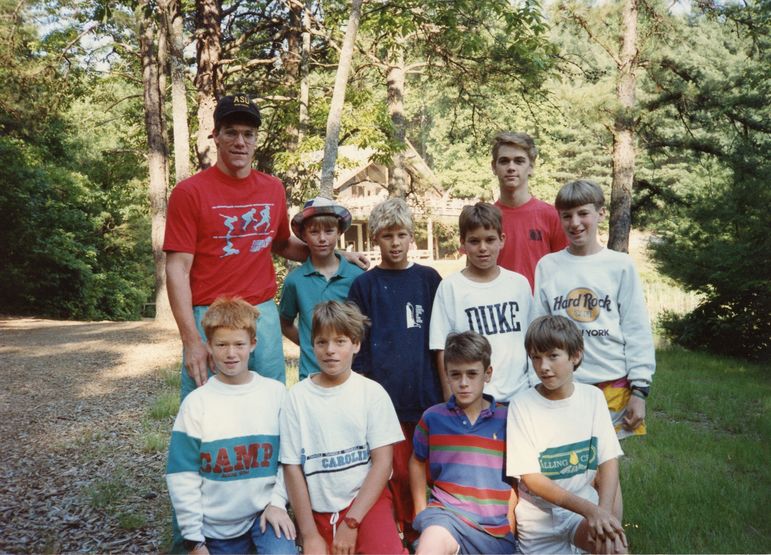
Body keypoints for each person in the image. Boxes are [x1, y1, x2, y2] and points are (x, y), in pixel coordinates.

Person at [163, 93, 367, 401]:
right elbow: (177, 267)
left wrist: (338, 256)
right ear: (215, 135)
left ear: (256, 139)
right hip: (211, 314)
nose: (240, 142)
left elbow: (283, 244)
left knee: (271, 402)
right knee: (206, 406)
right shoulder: (189, 193)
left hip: (262, 313)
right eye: (231, 132)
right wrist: (192, 340)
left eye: (248, 134)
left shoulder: (272, 189)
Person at [166, 297, 297, 555]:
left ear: (253, 345)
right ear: (209, 347)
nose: (231, 353)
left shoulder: (276, 394)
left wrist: (278, 502)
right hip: (215, 527)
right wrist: (194, 540)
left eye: (239, 344)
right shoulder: (197, 404)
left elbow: (290, 457)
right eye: (221, 344)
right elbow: (182, 476)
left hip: (265, 514)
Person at [347, 197, 443, 543]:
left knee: (430, 465)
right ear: (375, 239)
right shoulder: (364, 286)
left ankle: (432, 527)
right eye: (388, 236)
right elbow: (356, 345)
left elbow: (440, 340)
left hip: (425, 393)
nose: (396, 243)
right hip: (384, 397)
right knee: (396, 470)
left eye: (402, 234)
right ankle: (402, 529)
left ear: (411, 236)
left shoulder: (428, 279)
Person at [279, 301, 406, 554]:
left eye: (340, 341)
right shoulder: (297, 398)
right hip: (318, 508)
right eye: (322, 342)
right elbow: (292, 467)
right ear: (312, 344)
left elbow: (383, 463)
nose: (330, 351)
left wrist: (353, 521)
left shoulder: (371, 393)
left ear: (356, 344)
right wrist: (309, 534)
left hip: (365, 503)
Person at [532, 180, 655, 439]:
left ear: (601, 213)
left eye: (583, 213)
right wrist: (535, 383)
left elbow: (637, 330)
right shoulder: (548, 266)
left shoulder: (620, 265)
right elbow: (537, 332)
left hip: (611, 384)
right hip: (564, 384)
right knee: (567, 467)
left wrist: (640, 390)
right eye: (567, 216)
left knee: (607, 468)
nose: (575, 223)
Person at [507, 315, 626, 554]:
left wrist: (602, 514)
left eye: (553, 356)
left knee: (614, 547)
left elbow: (608, 461)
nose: (544, 366)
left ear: (576, 355)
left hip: (582, 513)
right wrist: (591, 511)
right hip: (539, 519)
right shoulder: (521, 404)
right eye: (535, 357)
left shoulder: (593, 398)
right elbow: (532, 478)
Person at [409, 331, 518, 555]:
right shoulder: (433, 418)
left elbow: (514, 479)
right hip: (446, 516)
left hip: (493, 529)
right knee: (429, 546)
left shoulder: (507, 419)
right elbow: (416, 461)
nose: (464, 383)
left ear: (487, 374)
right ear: (446, 375)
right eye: (456, 375)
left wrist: (510, 524)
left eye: (472, 374)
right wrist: (421, 511)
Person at [429, 202, 533, 403]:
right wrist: (449, 395)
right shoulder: (451, 287)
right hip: (473, 399)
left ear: (502, 240)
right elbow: (441, 346)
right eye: (474, 241)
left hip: (520, 395)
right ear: (463, 244)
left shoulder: (519, 284)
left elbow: (531, 341)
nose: (483, 248)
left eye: (490, 240)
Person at [278, 196, 363, 379]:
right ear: (303, 236)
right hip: (311, 375)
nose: (322, 238)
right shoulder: (295, 280)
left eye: (329, 231)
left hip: (351, 375)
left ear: (339, 231)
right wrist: (311, 344)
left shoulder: (357, 276)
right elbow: (284, 323)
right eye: (314, 232)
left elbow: (365, 324)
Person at [491, 131, 567, 290]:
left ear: (531, 167)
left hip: (540, 310)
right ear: (494, 167)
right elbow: (473, 274)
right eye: (504, 161)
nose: (511, 167)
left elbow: (565, 270)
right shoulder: (485, 218)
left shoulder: (552, 216)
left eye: (519, 161)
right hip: (497, 310)